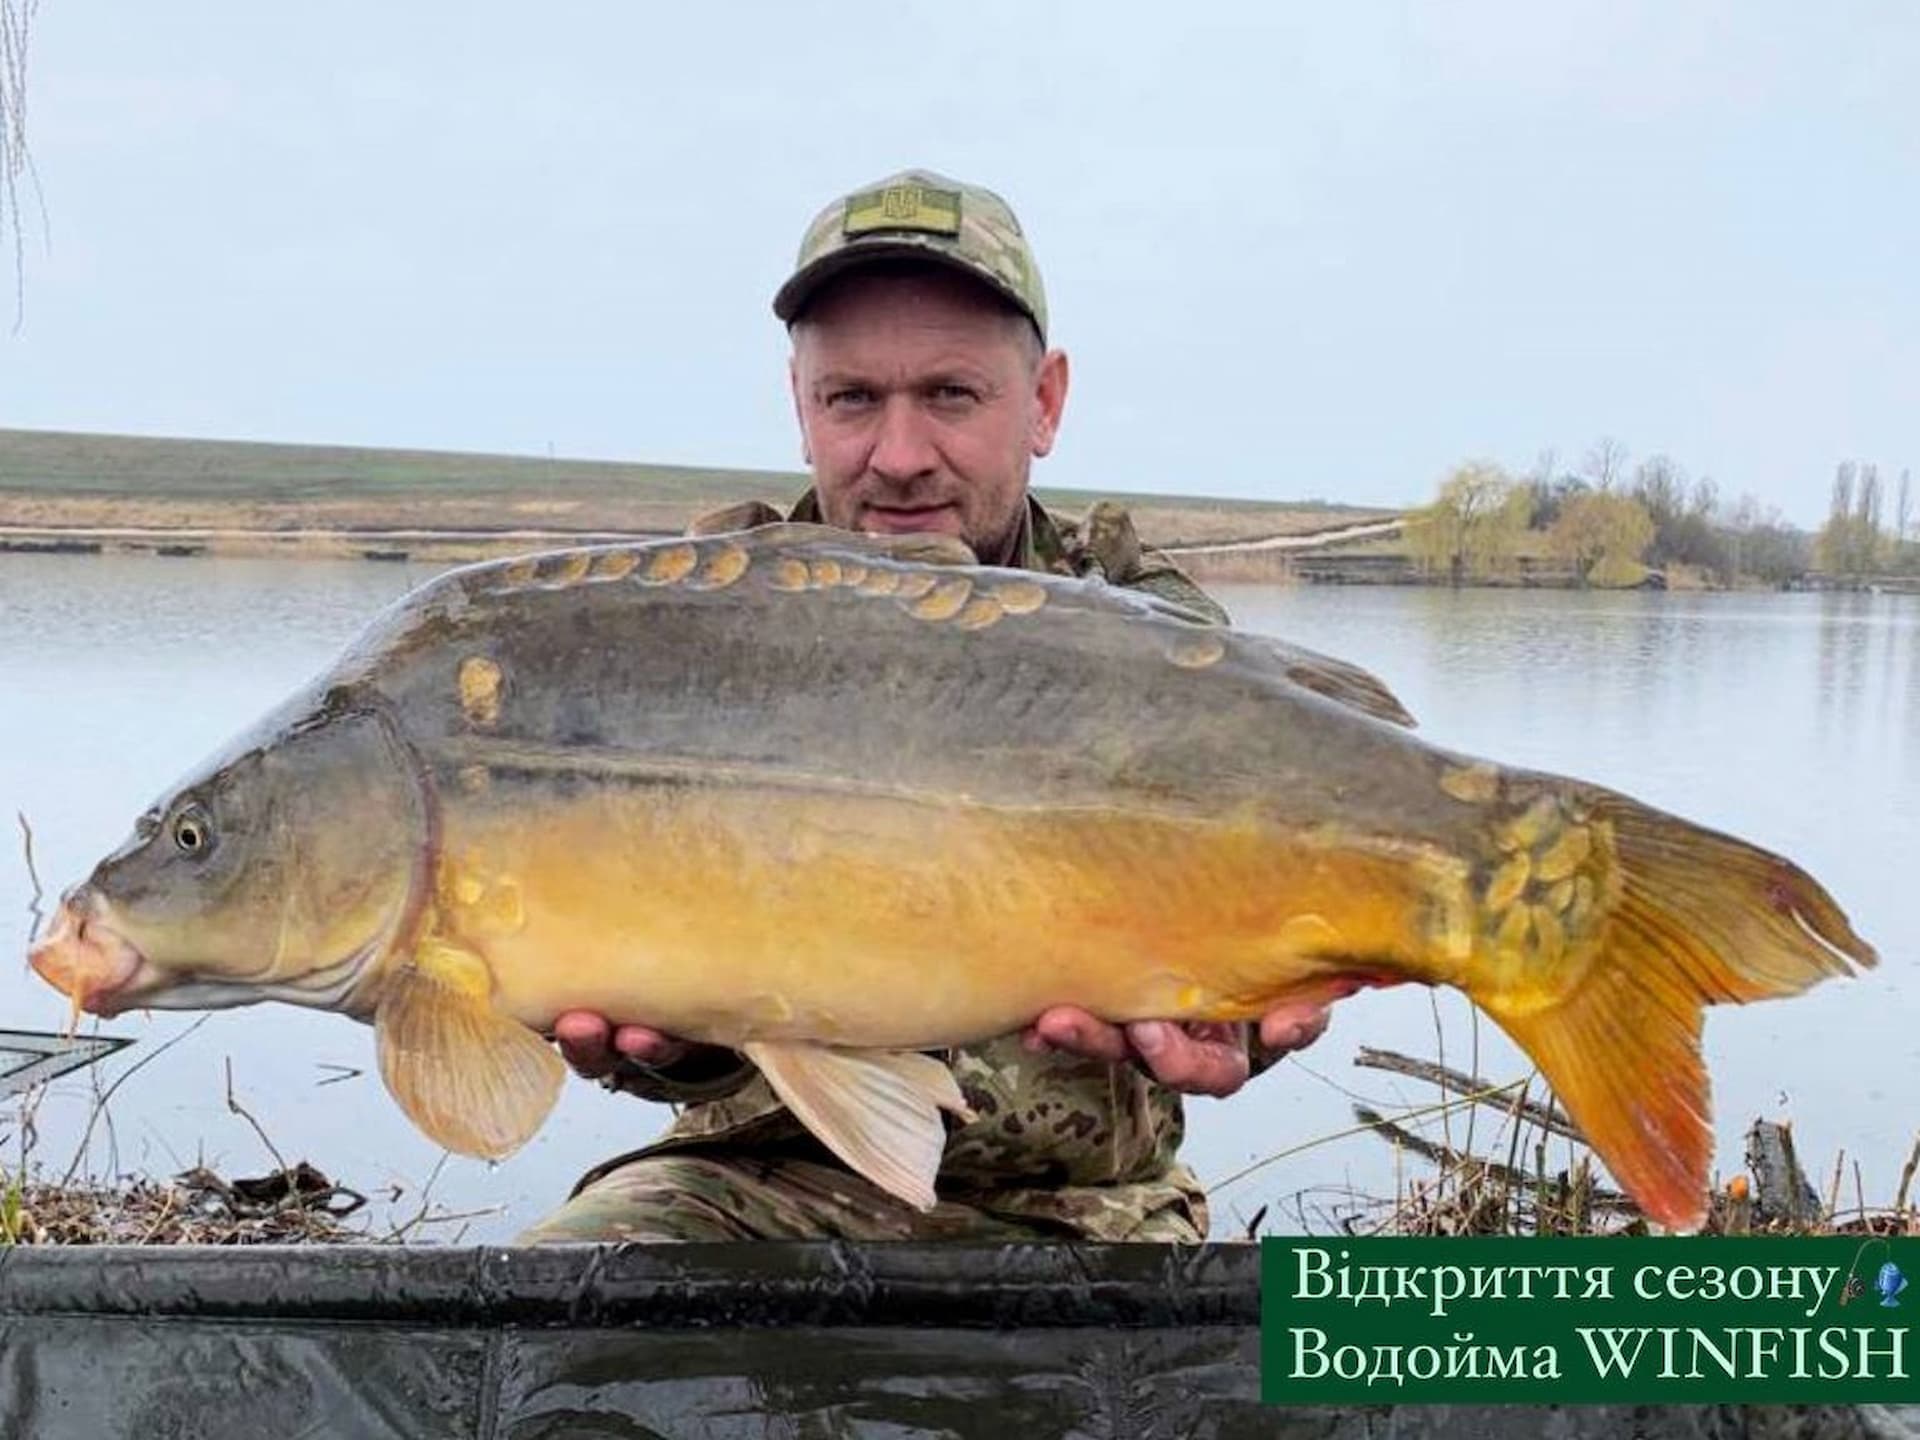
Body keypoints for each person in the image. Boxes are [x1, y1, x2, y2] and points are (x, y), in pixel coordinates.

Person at [514, 169, 1338, 1245]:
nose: (898, 458)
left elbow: (1265, 918)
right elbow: (659, 1006)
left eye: (950, 396)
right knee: (567, 1332)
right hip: (757, 1184)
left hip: (1086, 1209)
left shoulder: (1151, 640)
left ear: (1044, 403)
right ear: (800, 404)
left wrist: (1246, 1014)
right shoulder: (691, 635)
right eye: (852, 399)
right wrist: (677, 1050)